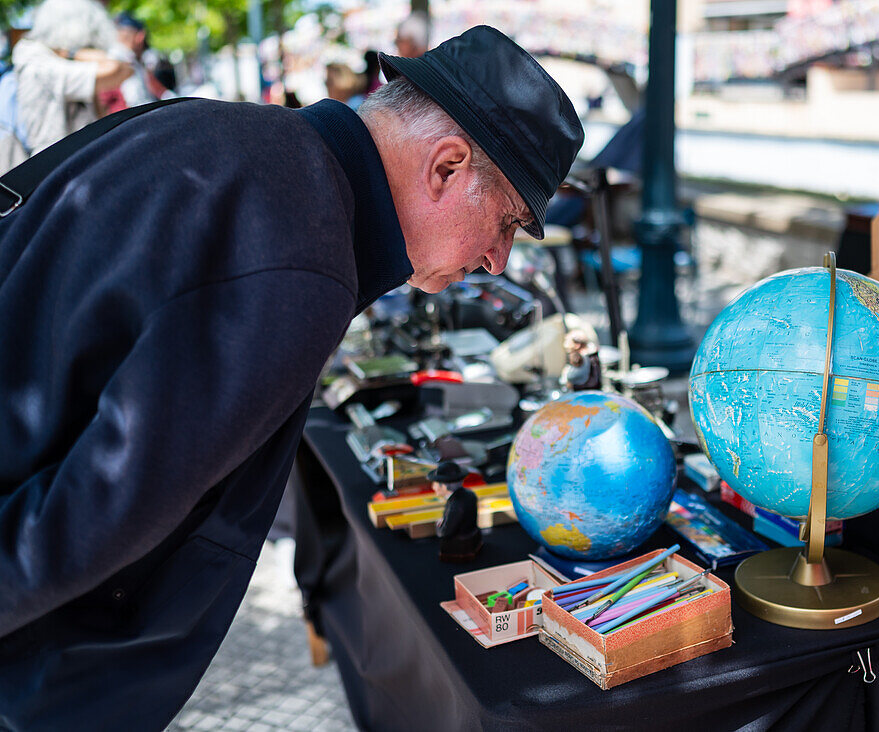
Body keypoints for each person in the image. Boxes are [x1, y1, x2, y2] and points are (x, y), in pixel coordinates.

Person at [0, 24, 582, 729]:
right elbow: (94, 516)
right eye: (508, 223)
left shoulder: (213, 129)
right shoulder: (305, 255)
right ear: (448, 166)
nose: (498, 259)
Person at [0, 0, 131, 173]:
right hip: (46, 173)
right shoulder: (38, 61)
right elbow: (118, 69)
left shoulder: (59, 59)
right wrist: (72, 52)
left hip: (70, 165)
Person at [429, 461, 481, 562]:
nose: (433, 487)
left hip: (460, 544)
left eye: (435, 483)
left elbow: (444, 532)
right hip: (471, 535)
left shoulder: (455, 505)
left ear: (445, 486)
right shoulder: (470, 494)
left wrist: (439, 525)